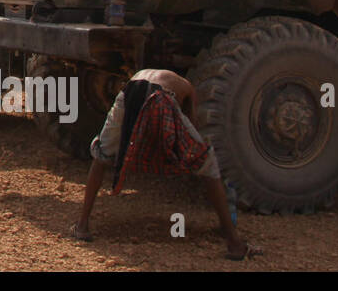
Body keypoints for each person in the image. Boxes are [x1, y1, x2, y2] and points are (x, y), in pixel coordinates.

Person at [74, 68, 260, 260]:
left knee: (101, 154)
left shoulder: (148, 74)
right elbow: (190, 129)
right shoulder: (187, 88)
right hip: (161, 99)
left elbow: (139, 122)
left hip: (128, 93)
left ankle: (82, 226)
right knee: (208, 162)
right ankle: (234, 242)